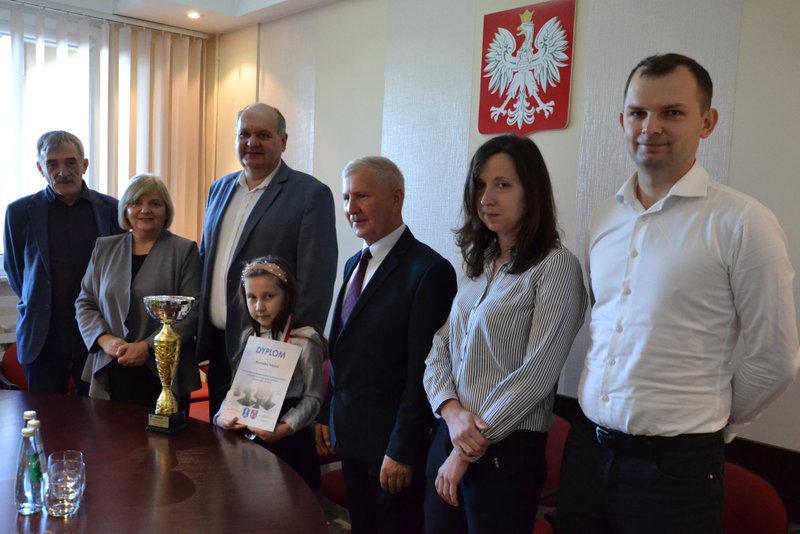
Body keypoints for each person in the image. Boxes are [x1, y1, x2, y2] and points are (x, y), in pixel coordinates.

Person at [558, 53, 800, 533]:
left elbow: (776, 357)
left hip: (674, 471)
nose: (650, 127)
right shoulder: (603, 217)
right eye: (638, 113)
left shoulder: (743, 222)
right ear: (622, 120)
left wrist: (713, 423)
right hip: (587, 452)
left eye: (672, 112)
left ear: (706, 122)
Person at [423, 134, 587, 534]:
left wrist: (466, 449)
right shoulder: (481, 264)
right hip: (449, 435)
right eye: (480, 185)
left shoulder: (556, 267)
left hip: (504, 453)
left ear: (531, 192)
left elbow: (537, 373)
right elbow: (439, 348)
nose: (486, 198)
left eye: (502, 185)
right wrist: (451, 411)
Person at [315, 156, 457, 534]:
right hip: (349, 436)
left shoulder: (429, 271)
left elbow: (423, 373)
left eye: (362, 196)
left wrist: (402, 449)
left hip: (391, 450)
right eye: (346, 198)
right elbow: (343, 350)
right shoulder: (352, 265)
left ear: (396, 198)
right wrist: (325, 413)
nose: (350, 209)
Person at [198, 103, 338, 418]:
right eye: (244, 134)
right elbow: (207, 261)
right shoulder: (219, 189)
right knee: (222, 449)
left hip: (273, 353)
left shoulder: (310, 194)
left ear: (283, 141)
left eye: (264, 134)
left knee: (265, 456)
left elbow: (317, 281)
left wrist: (288, 349)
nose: (252, 142)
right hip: (221, 348)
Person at [3, 130, 122, 395]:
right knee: (46, 418)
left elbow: (120, 270)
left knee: (98, 419)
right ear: (40, 168)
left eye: (70, 162)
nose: (62, 171)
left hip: (97, 331)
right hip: (43, 334)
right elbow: (16, 272)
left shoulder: (112, 210)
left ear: (84, 164)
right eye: (52, 164)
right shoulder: (19, 213)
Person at [75, 174, 202, 409]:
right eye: (136, 203)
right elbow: (85, 302)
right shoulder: (104, 248)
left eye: (155, 203)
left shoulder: (184, 251)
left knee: (165, 445)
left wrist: (147, 347)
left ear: (166, 211)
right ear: (126, 209)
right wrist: (104, 340)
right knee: (112, 441)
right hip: (111, 363)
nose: (145, 210)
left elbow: (193, 312)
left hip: (163, 369)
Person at [214, 255, 325, 490]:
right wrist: (222, 416)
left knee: (290, 504)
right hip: (252, 432)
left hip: (289, 435)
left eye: (269, 297)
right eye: (251, 297)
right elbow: (237, 388)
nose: (259, 307)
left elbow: (314, 398)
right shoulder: (249, 337)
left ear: (287, 295)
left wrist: (285, 428)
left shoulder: (305, 339)